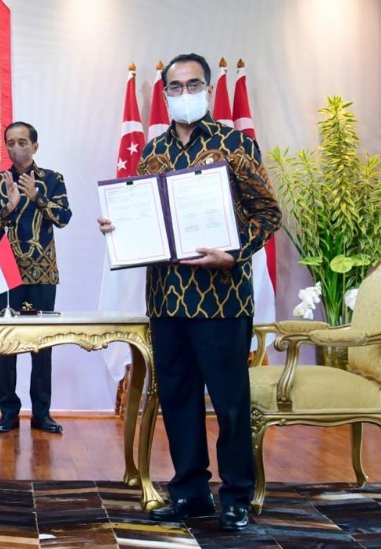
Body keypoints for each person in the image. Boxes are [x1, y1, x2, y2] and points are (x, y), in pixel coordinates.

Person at [98, 53, 281, 531]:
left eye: (192, 84)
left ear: (209, 89)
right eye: (175, 87)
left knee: (230, 402)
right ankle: (191, 493)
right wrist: (118, 227)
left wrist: (235, 254)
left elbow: (268, 215)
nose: (184, 94)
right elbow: (144, 218)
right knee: (177, 398)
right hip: (166, 299)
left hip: (221, 300)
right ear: (164, 95)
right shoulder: (152, 152)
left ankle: (237, 496)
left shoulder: (236, 144)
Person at [0, 121, 72, 434]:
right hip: (6, 274)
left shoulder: (52, 180)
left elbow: (64, 218)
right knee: (6, 345)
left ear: (35, 146)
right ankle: (8, 412)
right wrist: (9, 206)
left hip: (43, 273)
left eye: (22, 142)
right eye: (10, 142)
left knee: (41, 345)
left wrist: (37, 197)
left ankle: (41, 413)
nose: (15, 148)